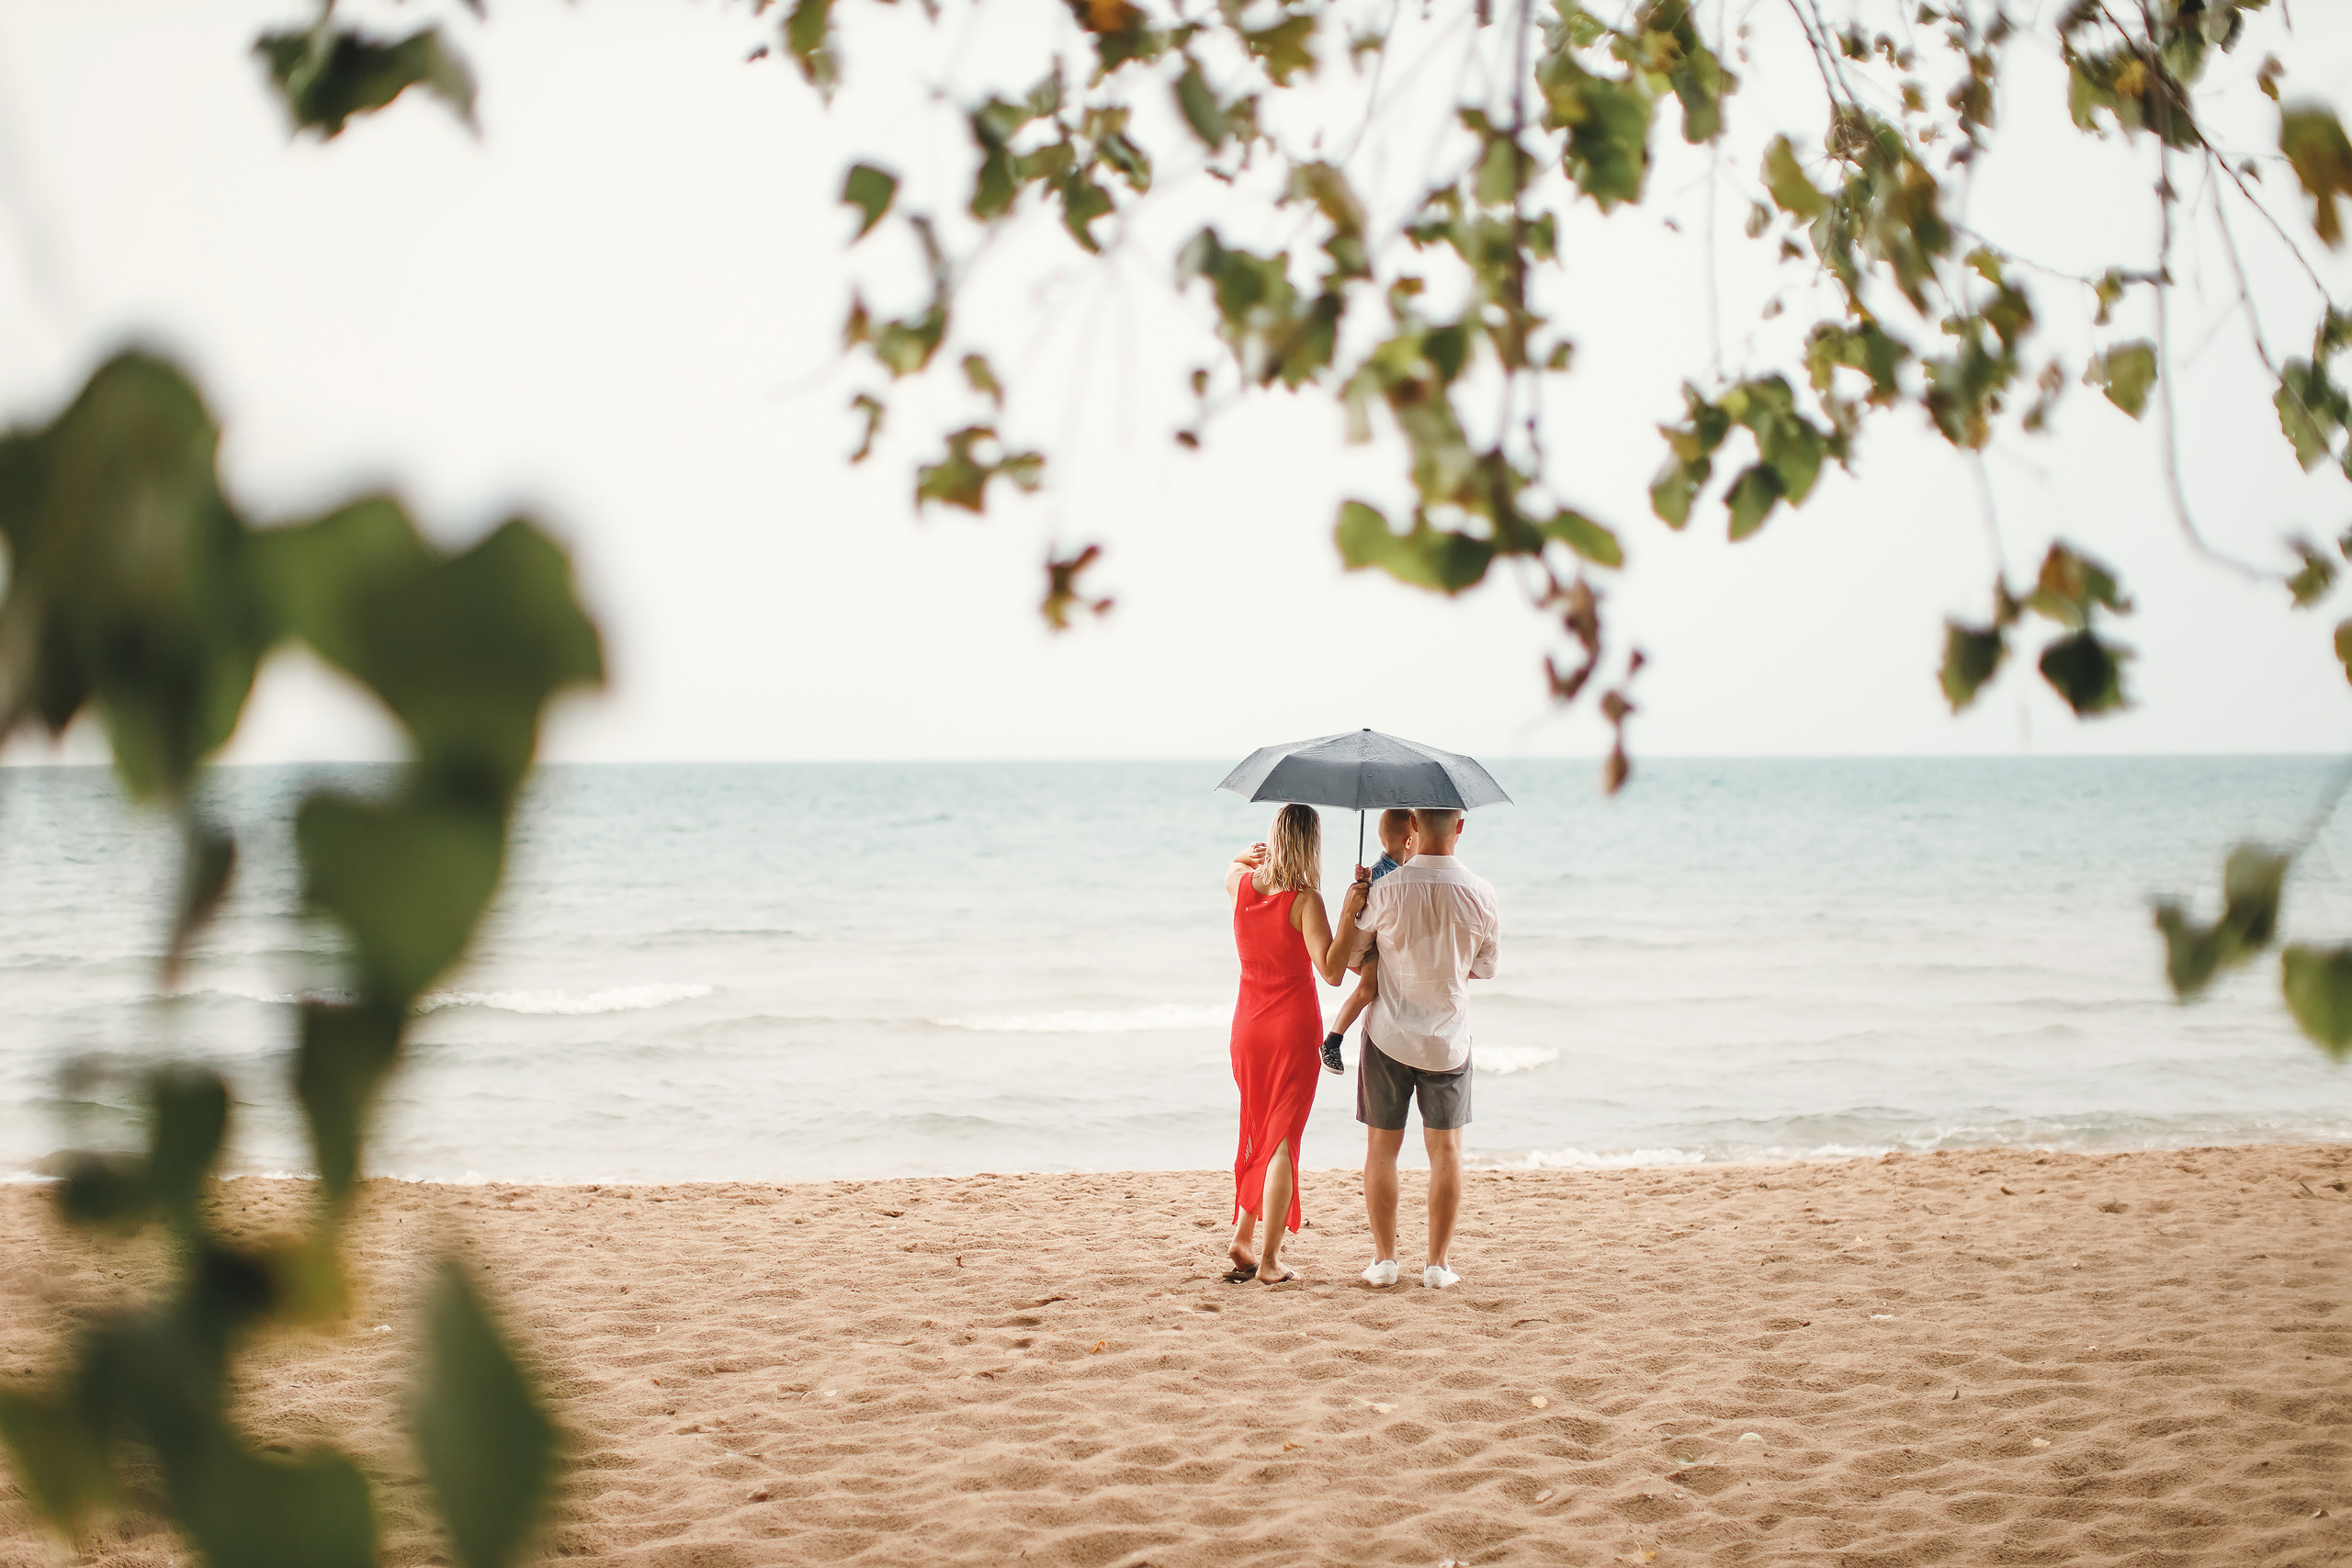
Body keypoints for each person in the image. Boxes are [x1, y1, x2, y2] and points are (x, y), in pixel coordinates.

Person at [1331, 806, 1499, 1291]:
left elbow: (1356, 954)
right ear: (1460, 826)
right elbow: (1485, 968)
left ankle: (1385, 1261)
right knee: (1446, 1149)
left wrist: (1356, 904)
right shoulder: (1482, 893)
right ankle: (1437, 1266)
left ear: (1414, 826)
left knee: (1382, 1148)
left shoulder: (1386, 889)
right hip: (1448, 1040)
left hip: (1388, 1034)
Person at [1222, 803, 1351, 1287]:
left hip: (1247, 1029)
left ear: (1274, 838)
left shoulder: (1240, 885)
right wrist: (1349, 912)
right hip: (1291, 1030)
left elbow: (1233, 865)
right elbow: (1333, 971)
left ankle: (1243, 1237)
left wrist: (1245, 855)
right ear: (1311, 844)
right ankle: (1270, 1260)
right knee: (1282, 1141)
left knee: (1260, 1131)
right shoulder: (1305, 900)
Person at [1319, 807, 1416, 1075]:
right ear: (1409, 841)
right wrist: (1366, 877)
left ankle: (1335, 1039)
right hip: (1363, 944)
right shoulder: (1385, 873)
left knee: (1373, 988)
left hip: (1374, 941)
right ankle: (1332, 1041)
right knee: (1367, 988)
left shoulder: (1394, 870)